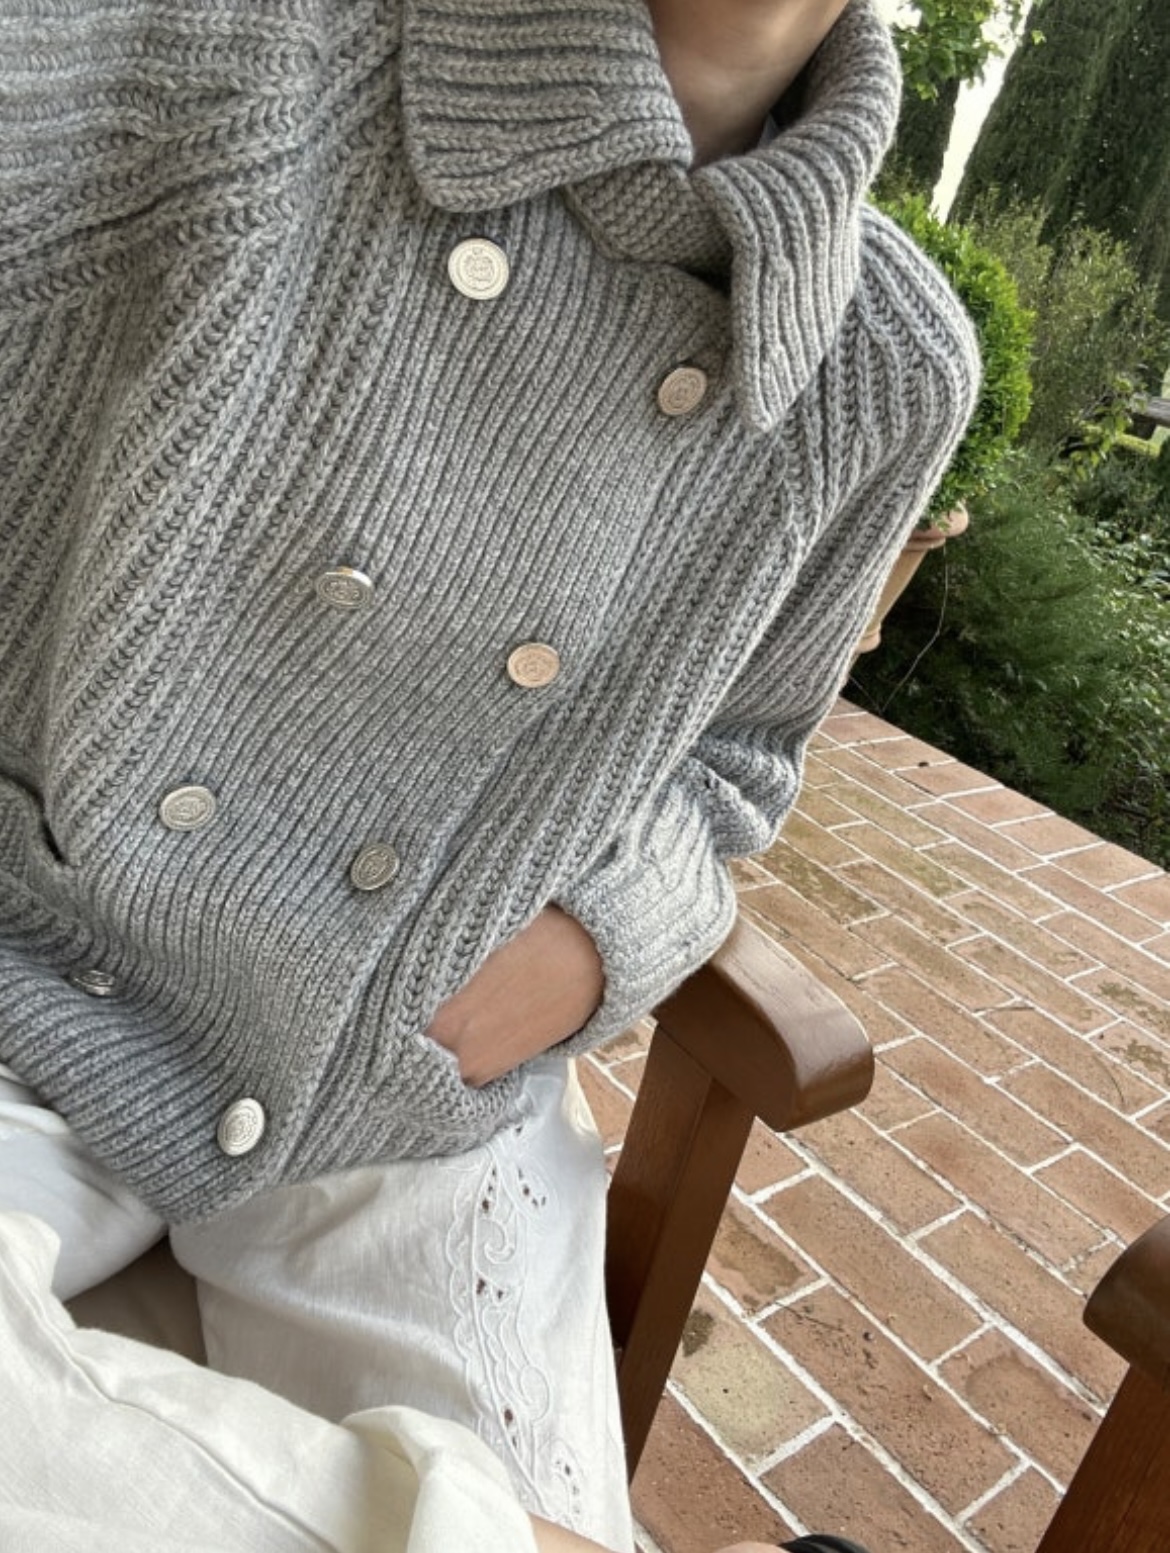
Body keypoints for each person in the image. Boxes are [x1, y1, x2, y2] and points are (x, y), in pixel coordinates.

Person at [0, 0, 978, 1546]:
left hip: (413, 1087)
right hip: (39, 970)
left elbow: (735, 761)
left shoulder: (885, 366)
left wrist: (603, 932)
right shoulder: (235, 54)